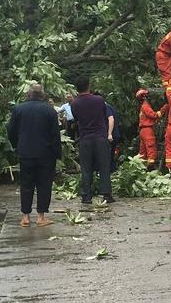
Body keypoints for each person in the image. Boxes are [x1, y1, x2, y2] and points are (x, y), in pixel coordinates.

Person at [7, 82, 62, 227]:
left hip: (25, 152)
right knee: (44, 184)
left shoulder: (19, 109)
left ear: (28, 94)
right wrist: (57, 153)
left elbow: (11, 130)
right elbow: (55, 135)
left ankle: (25, 217)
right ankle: (41, 216)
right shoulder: (49, 110)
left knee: (26, 184)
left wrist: (17, 145)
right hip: (46, 153)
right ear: (42, 94)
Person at [68, 75, 115, 204]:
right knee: (104, 166)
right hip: (100, 137)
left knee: (86, 168)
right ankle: (106, 194)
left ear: (77, 89)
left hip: (85, 138)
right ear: (89, 86)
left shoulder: (74, 103)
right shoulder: (99, 100)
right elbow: (103, 114)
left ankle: (86, 195)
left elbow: (76, 119)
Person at [135, 88, 166, 170]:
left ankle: (141, 169)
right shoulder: (145, 106)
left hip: (143, 131)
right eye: (147, 95)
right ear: (144, 97)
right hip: (147, 130)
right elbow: (154, 115)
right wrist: (164, 109)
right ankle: (150, 169)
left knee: (143, 152)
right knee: (151, 149)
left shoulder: (142, 107)